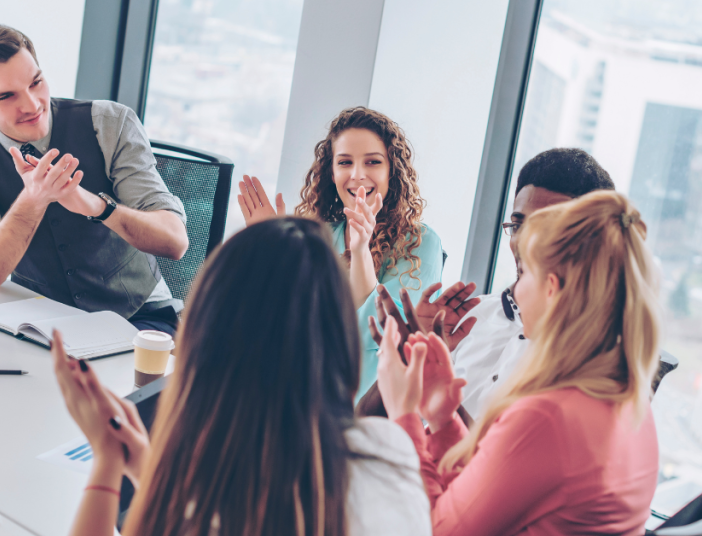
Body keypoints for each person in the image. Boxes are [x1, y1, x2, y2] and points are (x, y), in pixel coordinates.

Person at [51, 217, 431, 536]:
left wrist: (105, 459)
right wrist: (139, 466)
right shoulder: (388, 450)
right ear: (339, 337)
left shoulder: (228, 486)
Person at [377, 190, 661, 535]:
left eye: (524, 274)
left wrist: (404, 413)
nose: (514, 291)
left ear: (551, 290)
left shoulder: (548, 418)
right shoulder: (627, 400)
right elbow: (484, 493)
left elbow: (436, 530)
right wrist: (441, 417)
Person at [0, 23, 189, 334]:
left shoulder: (110, 122)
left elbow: (175, 242)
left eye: (36, 83)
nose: (32, 105)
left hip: (137, 316)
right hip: (37, 317)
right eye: (6, 96)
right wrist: (34, 198)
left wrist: (97, 206)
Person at [359, 148, 615, 419]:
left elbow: (498, 460)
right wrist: (408, 359)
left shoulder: (595, 362)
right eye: (518, 225)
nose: (523, 242)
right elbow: (365, 423)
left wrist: (439, 386)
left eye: (546, 228)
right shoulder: (470, 316)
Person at [237, 107, 443, 398]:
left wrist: (360, 251)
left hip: (373, 408)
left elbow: (379, 336)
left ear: (391, 170)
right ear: (332, 173)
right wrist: (271, 249)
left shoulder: (420, 243)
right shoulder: (319, 234)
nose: (358, 175)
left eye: (373, 162)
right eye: (345, 162)